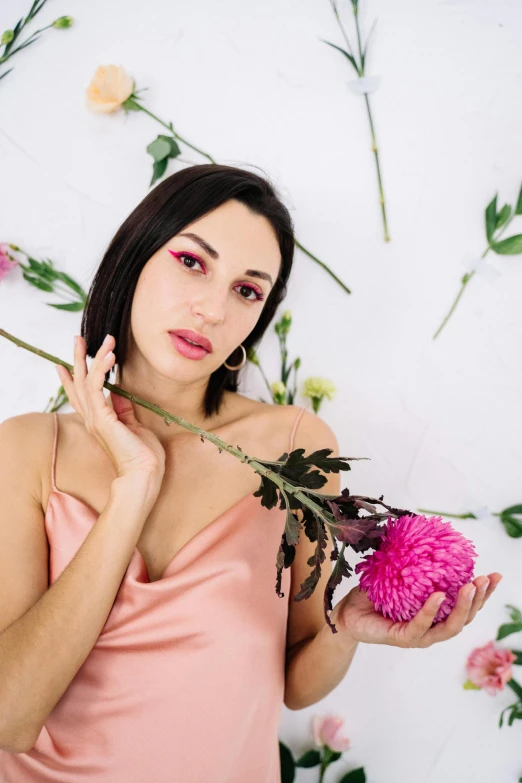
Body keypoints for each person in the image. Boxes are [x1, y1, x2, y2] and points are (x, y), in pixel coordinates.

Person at [0, 164, 339, 782]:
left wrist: (351, 628)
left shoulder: (295, 450)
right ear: (135, 259)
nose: (211, 309)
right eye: (192, 262)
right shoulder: (26, 450)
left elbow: (298, 677)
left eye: (246, 291)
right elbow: (10, 716)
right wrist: (133, 487)